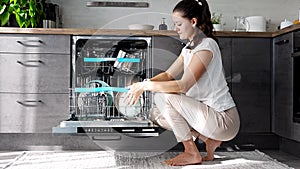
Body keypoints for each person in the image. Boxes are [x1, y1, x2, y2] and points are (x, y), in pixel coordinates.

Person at [126, 0, 240, 166]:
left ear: (193, 22)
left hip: (224, 120)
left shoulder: (206, 46)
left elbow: (184, 85)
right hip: (208, 118)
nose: (175, 28)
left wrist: (146, 87)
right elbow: (168, 74)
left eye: (179, 24)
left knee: (164, 98)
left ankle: (191, 152)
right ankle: (208, 139)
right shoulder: (188, 49)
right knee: (156, 114)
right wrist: (143, 83)